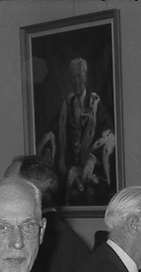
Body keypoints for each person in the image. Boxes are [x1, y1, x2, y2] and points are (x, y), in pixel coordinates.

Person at [4, 155, 90, 272]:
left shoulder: (46, 242)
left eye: (8, 184)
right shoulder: (63, 235)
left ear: (32, 189)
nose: (2, 192)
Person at [58, 58, 116, 206]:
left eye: (79, 76)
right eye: (73, 77)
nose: (76, 81)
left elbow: (108, 132)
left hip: (92, 166)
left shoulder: (95, 103)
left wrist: (93, 157)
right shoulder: (67, 104)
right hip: (71, 167)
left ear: (85, 77)